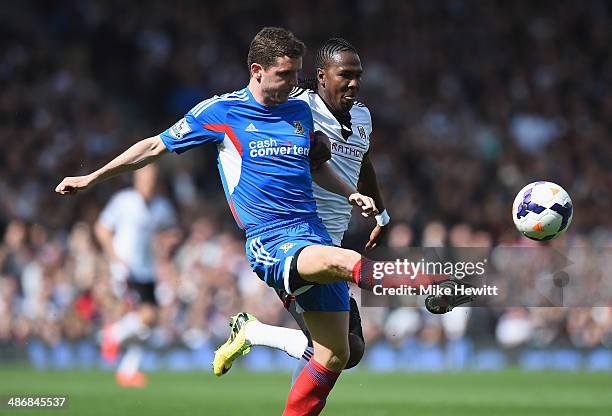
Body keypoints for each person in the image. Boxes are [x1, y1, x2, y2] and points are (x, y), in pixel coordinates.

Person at [55, 27, 460, 415]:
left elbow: (317, 165)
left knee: (339, 354)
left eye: (296, 75)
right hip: (272, 240)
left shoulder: (300, 111)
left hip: (312, 232)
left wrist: (348, 192)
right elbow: (153, 146)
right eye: (284, 75)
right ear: (257, 71)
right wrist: (93, 177)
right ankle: (428, 282)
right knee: (341, 263)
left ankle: (255, 335)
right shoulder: (221, 111)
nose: (291, 83)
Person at [212, 38, 390, 382]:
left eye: (358, 75)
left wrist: (381, 212)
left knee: (349, 351)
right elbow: (255, 109)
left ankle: (253, 333)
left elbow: (364, 162)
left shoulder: (363, 117)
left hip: (331, 243)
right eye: (345, 75)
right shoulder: (297, 105)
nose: (354, 83)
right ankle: (254, 333)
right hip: (293, 241)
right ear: (322, 76)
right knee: (331, 350)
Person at [95, 164, 179, 387]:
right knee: (146, 316)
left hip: (147, 269)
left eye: (153, 179)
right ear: (136, 180)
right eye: (145, 178)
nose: (149, 183)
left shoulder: (162, 206)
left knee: (146, 325)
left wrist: (168, 245)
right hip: (125, 269)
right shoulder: (123, 201)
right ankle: (113, 336)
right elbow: (101, 229)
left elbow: (170, 232)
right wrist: (114, 257)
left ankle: (127, 370)